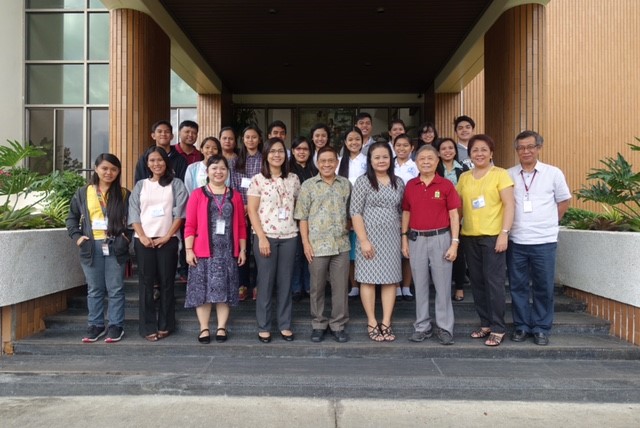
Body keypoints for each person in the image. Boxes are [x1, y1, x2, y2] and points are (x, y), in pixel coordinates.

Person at [507, 130, 571, 346]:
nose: (526, 151)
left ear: (538, 148)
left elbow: (563, 202)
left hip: (544, 240)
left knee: (544, 286)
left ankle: (542, 328)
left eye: (530, 147)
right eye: (521, 148)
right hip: (517, 240)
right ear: (516, 150)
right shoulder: (509, 174)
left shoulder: (553, 173)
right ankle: (522, 326)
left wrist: (550, 222)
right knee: (518, 286)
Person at [456, 134, 514, 347]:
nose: (479, 154)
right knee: (478, 283)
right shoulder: (464, 178)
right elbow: (459, 208)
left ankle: (498, 327)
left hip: (493, 237)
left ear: (491, 153)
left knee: (494, 283)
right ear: (469, 154)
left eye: (483, 150)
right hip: (469, 236)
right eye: (475, 150)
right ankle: (485, 323)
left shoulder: (501, 175)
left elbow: (509, 205)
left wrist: (504, 233)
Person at [66, 153, 131, 343]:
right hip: (91, 246)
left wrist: (126, 238)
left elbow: (133, 220)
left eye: (113, 169)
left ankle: (116, 325)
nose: (108, 172)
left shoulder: (125, 194)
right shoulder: (83, 192)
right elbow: (71, 217)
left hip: (115, 245)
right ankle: (95, 325)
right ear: (96, 169)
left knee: (115, 288)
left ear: (118, 171)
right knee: (94, 288)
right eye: (104, 168)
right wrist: (77, 237)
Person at [184, 155, 247, 344]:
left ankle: (221, 326)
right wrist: (188, 249)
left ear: (227, 172)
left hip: (227, 252)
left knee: (225, 291)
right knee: (202, 291)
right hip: (203, 251)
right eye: (214, 168)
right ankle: (204, 328)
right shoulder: (197, 194)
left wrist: (242, 250)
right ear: (207, 172)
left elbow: (242, 225)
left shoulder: (234, 195)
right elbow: (190, 224)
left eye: (222, 168)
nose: (218, 171)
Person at [402, 145, 461, 345]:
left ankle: (444, 328)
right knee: (420, 285)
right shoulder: (410, 185)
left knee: (443, 285)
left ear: (437, 161)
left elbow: (454, 215)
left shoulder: (445, 185)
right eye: (422, 159)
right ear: (416, 162)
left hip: (441, 238)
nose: (426, 162)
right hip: (416, 238)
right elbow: (406, 213)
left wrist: (454, 243)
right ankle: (422, 326)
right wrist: (404, 238)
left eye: (430, 158)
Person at [129, 146, 188, 341]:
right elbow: (134, 213)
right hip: (143, 240)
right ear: (147, 163)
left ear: (166, 162)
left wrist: (167, 235)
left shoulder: (176, 184)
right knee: (146, 284)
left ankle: (166, 324)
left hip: (168, 240)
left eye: (160, 160)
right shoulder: (140, 185)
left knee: (166, 283)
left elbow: (180, 214)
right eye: (152, 160)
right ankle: (147, 326)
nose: (156, 164)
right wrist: (143, 236)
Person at [295, 146, 352, 343]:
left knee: (340, 287)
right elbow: (302, 217)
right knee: (317, 287)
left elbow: (351, 212)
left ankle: (338, 324)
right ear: (317, 163)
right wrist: (305, 243)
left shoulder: (345, 184)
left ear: (337, 162)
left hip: (341, 244)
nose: (327, 164)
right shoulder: (308, 185)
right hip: (316, 245)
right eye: (323, 161)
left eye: (331, 161)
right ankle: (318, 323)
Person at [247, 137, 301, 343]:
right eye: (272, 151)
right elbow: (252, 210)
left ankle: (285, 324)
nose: (277, 155)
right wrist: (261, 237)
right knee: (265, 281)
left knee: (285, 282)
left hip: (289, 236)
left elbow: (298, 205)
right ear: (266, 155)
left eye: (280, 151)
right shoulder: (258, 179)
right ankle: (264, 325)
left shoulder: (293, 179)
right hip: (265, 236)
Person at [350, 141, 405, 342]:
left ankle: (386, 322)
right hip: (368, 237)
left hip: (391, 237)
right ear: (370, 161)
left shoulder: (398, 182)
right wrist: (363, 240)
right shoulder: (363, 182)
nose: (381, 161)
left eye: (385, 157)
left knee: (390, 280)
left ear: (390, 159)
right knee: (368, 279)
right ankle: (372, 320)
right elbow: (355, 212)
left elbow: (401, 212)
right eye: (377, 157)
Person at [230, 125, 263, 301]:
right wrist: (242, 205)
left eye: (254, 137)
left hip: (260, 211)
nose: (250, 140)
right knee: (242, 247)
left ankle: (258, 285)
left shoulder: (264, 159)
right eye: (247, 137)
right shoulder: (236, 161)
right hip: (241, 211)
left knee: (258, 248)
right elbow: (234, 185)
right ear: (243, 140)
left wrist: (253, 206)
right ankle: (242, 284)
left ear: (259, 139)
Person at [435, 137, 470, 301]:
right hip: (439, 216)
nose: (447, 151)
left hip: (459, 215)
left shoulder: (463, 169)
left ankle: (459, 286)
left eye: (450, 148)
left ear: (455, 151)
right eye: (443, 148)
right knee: (440, 253)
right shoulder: (435, 169)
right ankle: (442, 287)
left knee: (459, 252)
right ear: (438, 152)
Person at [336, 127, 367, 300]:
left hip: (364, 211)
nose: (354, 142)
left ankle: (364, 283)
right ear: (345, 143)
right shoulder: (339, 162)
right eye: (350, 140)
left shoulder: (368, 160)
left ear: (362, 142)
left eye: (357, 139)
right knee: (349, 250)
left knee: (362, 247)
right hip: (343, 212)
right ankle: (353, 285)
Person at [289, 137, 318, 302]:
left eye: (305, 149)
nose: (301, 152)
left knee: (310, 251)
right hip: (292, 218)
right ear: (293, 151)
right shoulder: (287, 170)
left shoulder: (315, 170)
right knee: (296, 253)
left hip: (312, 219)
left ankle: (309, 286)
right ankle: (296, 287)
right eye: (298, 149)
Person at [393, 133, 419, 301]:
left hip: (412, 211)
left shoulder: (416, 165)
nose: (401, 148)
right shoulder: (389, 164)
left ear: (412, 148)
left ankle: (406, 286)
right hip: (392, 212)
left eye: (405, 145)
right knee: (394, 250)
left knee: (409, 249)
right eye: (398, 145)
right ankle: (395, 285)